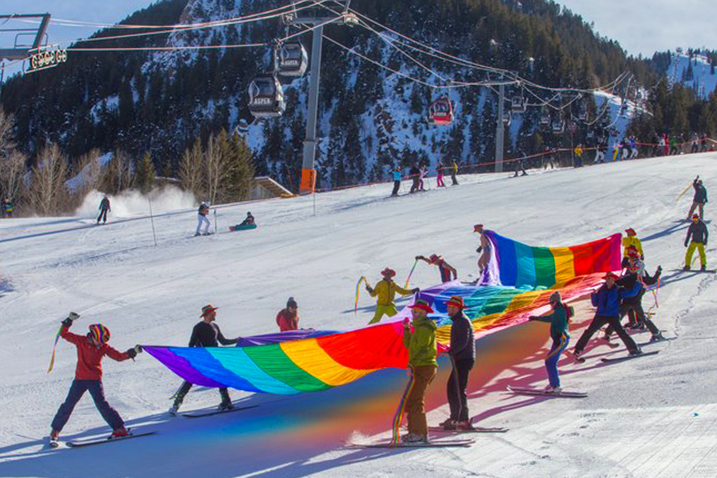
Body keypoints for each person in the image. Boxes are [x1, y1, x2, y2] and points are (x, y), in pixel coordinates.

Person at [49, 315, 142, 443]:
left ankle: (119, 428)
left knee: (101, 404)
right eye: (99, 341)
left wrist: (132, 352)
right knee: (68, 404)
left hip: (94, 380)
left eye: (103, 342)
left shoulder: (104, 347)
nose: (101, 344)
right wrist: (68, 321)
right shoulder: (81, 341)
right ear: (92, 336)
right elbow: (64, 334)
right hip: (79, 379)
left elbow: (119, 357)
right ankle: (55, 430)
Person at [169, 305, 240, 415]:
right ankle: (176, 405)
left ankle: (226, 402)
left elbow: (223, 341)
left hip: (214, 358)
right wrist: (192, 359)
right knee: (190, 379)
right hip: (202, 359)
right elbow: (191, 344)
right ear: (208, 314)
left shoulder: (215, 326)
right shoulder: (198, 327)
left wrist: (238, 340)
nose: (215, 314)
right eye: (213, 313)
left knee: (221, 377)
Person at [572, 272, 642, 360]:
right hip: (600, 315)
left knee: (621, 332)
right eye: (606, 279)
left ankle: (634, 349)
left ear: (613, 279)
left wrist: (638, 284)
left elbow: (631, 293)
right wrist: (594, 294)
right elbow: (595, 304)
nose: (607, 280)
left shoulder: (618, 290)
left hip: (613, 316)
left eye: (609, 278)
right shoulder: (601, 290)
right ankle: (578, 350)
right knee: (589, 331)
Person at [401, 299, 438, 443]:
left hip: (424, 367)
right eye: (412, 311)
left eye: (415, 311)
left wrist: (411, 364)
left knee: (416, 400)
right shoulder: (418, 328)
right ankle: (414, 432)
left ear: (423, 313)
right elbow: (409, 345)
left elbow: (422, 348)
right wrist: (406, 329)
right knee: (411, 400)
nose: (413, 313)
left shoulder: (425, 328)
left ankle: (420, 433)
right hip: (419, 367)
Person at [440, 296, 475, 430]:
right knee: (453, 388)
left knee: (458, 389)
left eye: (452, 307)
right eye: (449, 307)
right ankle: (456, 417)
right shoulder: (458, 321)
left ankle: (462, 419)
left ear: (458, 308)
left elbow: (463, 342)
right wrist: (450, 350)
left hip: (464, 359)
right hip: (460, 358)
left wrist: (451, 351)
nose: (449, 309)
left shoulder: (462, 321)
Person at [528, 291, 571, 393]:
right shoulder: (560, 309)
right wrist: (537, 318)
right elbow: (552, 318)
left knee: (550, 362)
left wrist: (557, 336)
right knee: (550, 361)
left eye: (551, 303)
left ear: (555, 302)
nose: (550, 305)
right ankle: (553, 383)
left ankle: (555, 386)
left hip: (561, 338)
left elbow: (556, 322)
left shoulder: (560, 311)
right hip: (561, 338)